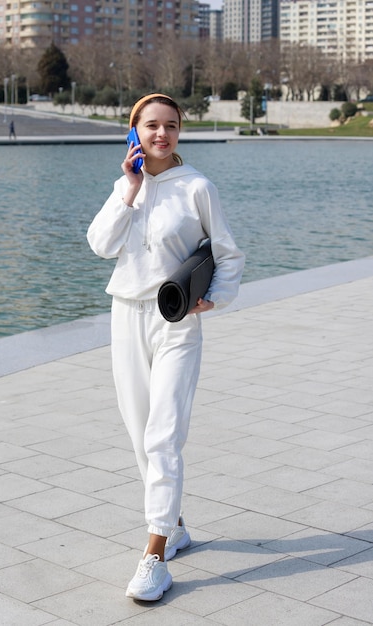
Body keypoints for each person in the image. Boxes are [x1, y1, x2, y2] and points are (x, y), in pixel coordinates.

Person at [87, 93, 245, 602]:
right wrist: (129, 190)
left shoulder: (198, 186)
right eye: (151, 126)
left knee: (163, 435)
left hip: (175, 321)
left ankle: (155, 554)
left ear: (181, 131)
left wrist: (215, 299)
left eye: (171, 126)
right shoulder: (124, 185)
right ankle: (174, 525)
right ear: (134, 131)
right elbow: (100, 245)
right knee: (139, 431)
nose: (162, 134)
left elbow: (228, 252)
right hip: (125, 316)